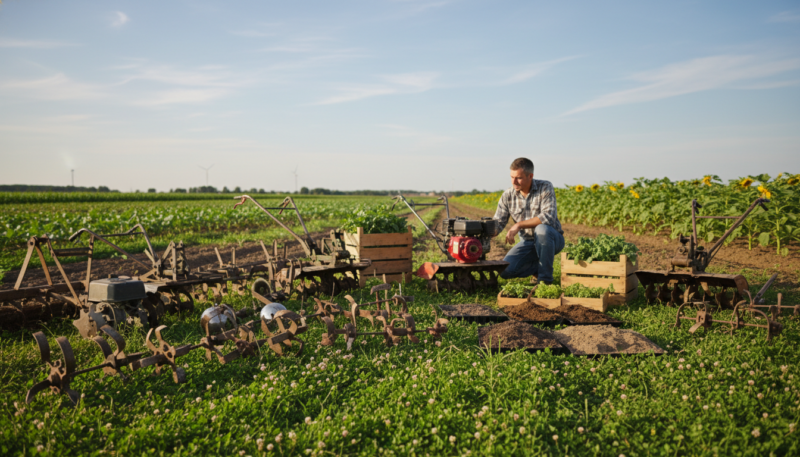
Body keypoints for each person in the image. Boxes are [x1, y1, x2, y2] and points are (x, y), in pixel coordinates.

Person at [493, 158, 565, 284]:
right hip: (528, 243)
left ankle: (545, 281)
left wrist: (519, 225)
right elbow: (498, 222)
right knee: (505, 271)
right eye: (512, 177)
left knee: (542, 229)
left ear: (530, 176)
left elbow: (547, 217)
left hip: (552, 239)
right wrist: (482, 231)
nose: (514, 182)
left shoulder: (545, 187)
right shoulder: (508, 195)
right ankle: (538, 268)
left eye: (519, 178)